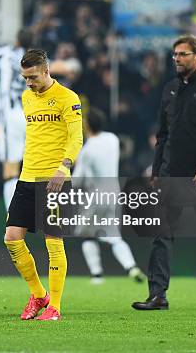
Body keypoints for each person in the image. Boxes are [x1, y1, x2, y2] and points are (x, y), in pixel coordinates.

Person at [132, 34, 196, 311]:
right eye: (175, 54)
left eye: (183, 54)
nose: (176, 58)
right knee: (161, 233)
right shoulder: (170, 89)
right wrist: (156, 169)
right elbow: (163, 135)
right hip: (170, 174)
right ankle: (158, 295)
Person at [4, 49, 83, 321]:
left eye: (33, 77)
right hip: (27, 178)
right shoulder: (27, 98)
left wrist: (64, 167)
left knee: (53, 242)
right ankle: (39, 295)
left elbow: (76, 138)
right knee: (12, 238)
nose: (29, 83)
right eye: (25, 78)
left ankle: (55, 307)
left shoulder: (68, 98)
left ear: (47, 71)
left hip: (54, 181)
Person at [71, 107, 144, 284]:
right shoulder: (112, 139)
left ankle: (97, 275)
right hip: (114, 193)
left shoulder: (87, 150)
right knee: (114, 236)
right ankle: (131, 267)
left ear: (87, 126)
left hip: (95, 196)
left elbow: (77, 179)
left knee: (87, 235)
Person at [0, 28, 33, 211]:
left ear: (17, 39)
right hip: (29, 116)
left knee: (10, 169)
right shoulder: (36, 60)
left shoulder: (7, 53)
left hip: (10, 115)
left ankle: (13, 213)